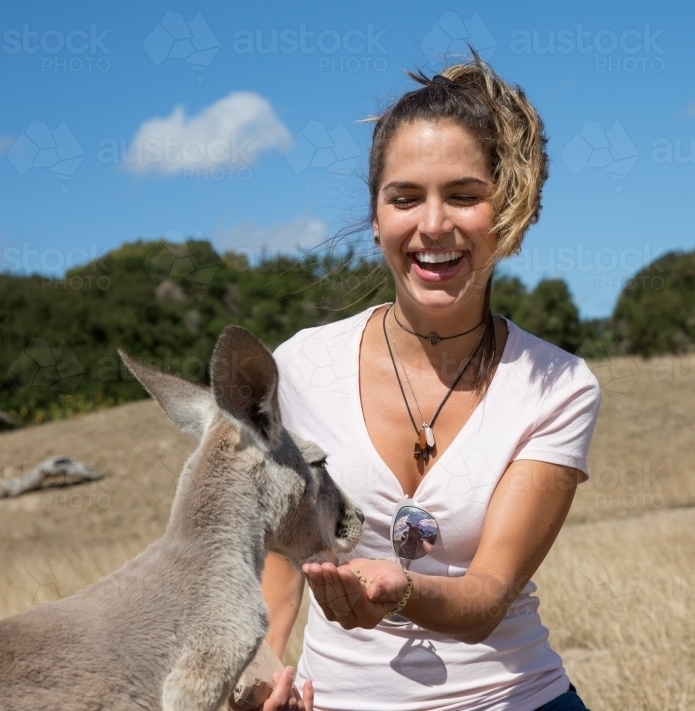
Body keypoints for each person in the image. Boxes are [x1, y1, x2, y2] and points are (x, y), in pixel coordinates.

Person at [255, 54, 601, 711]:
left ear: (506, 210)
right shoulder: (298, 369)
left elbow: (489, 595)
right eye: (406, 197)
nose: (433, 225)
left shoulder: (559, 386)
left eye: (465, 195)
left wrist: (402, 591)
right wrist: (268, 671)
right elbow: (281, 546)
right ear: (378, 215)